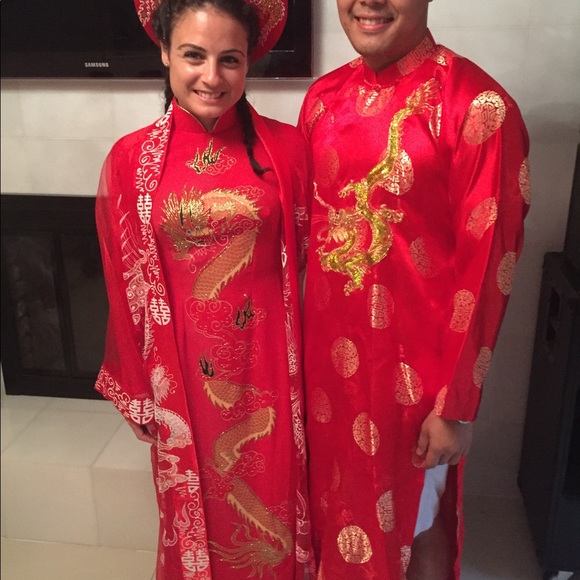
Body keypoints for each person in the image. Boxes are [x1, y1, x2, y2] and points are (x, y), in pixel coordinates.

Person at [297, 1, 530, 578]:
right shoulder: (322, 99)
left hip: (414, 387)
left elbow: (489, 267)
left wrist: (456, 406)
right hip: (325, 373)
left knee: (417, 524)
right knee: (336, 511)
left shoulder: (477, 107)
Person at [94, 0, 315, 577]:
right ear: (165, 53)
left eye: (229, 59)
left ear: (249, 63)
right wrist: (137, 385)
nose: (212, 77)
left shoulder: (288, 151)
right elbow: (124, 282)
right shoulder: (131, 160)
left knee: (276, 492)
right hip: (182, 373)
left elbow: (312, 267)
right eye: (194, 55)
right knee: (193, 508)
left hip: (270, 364)